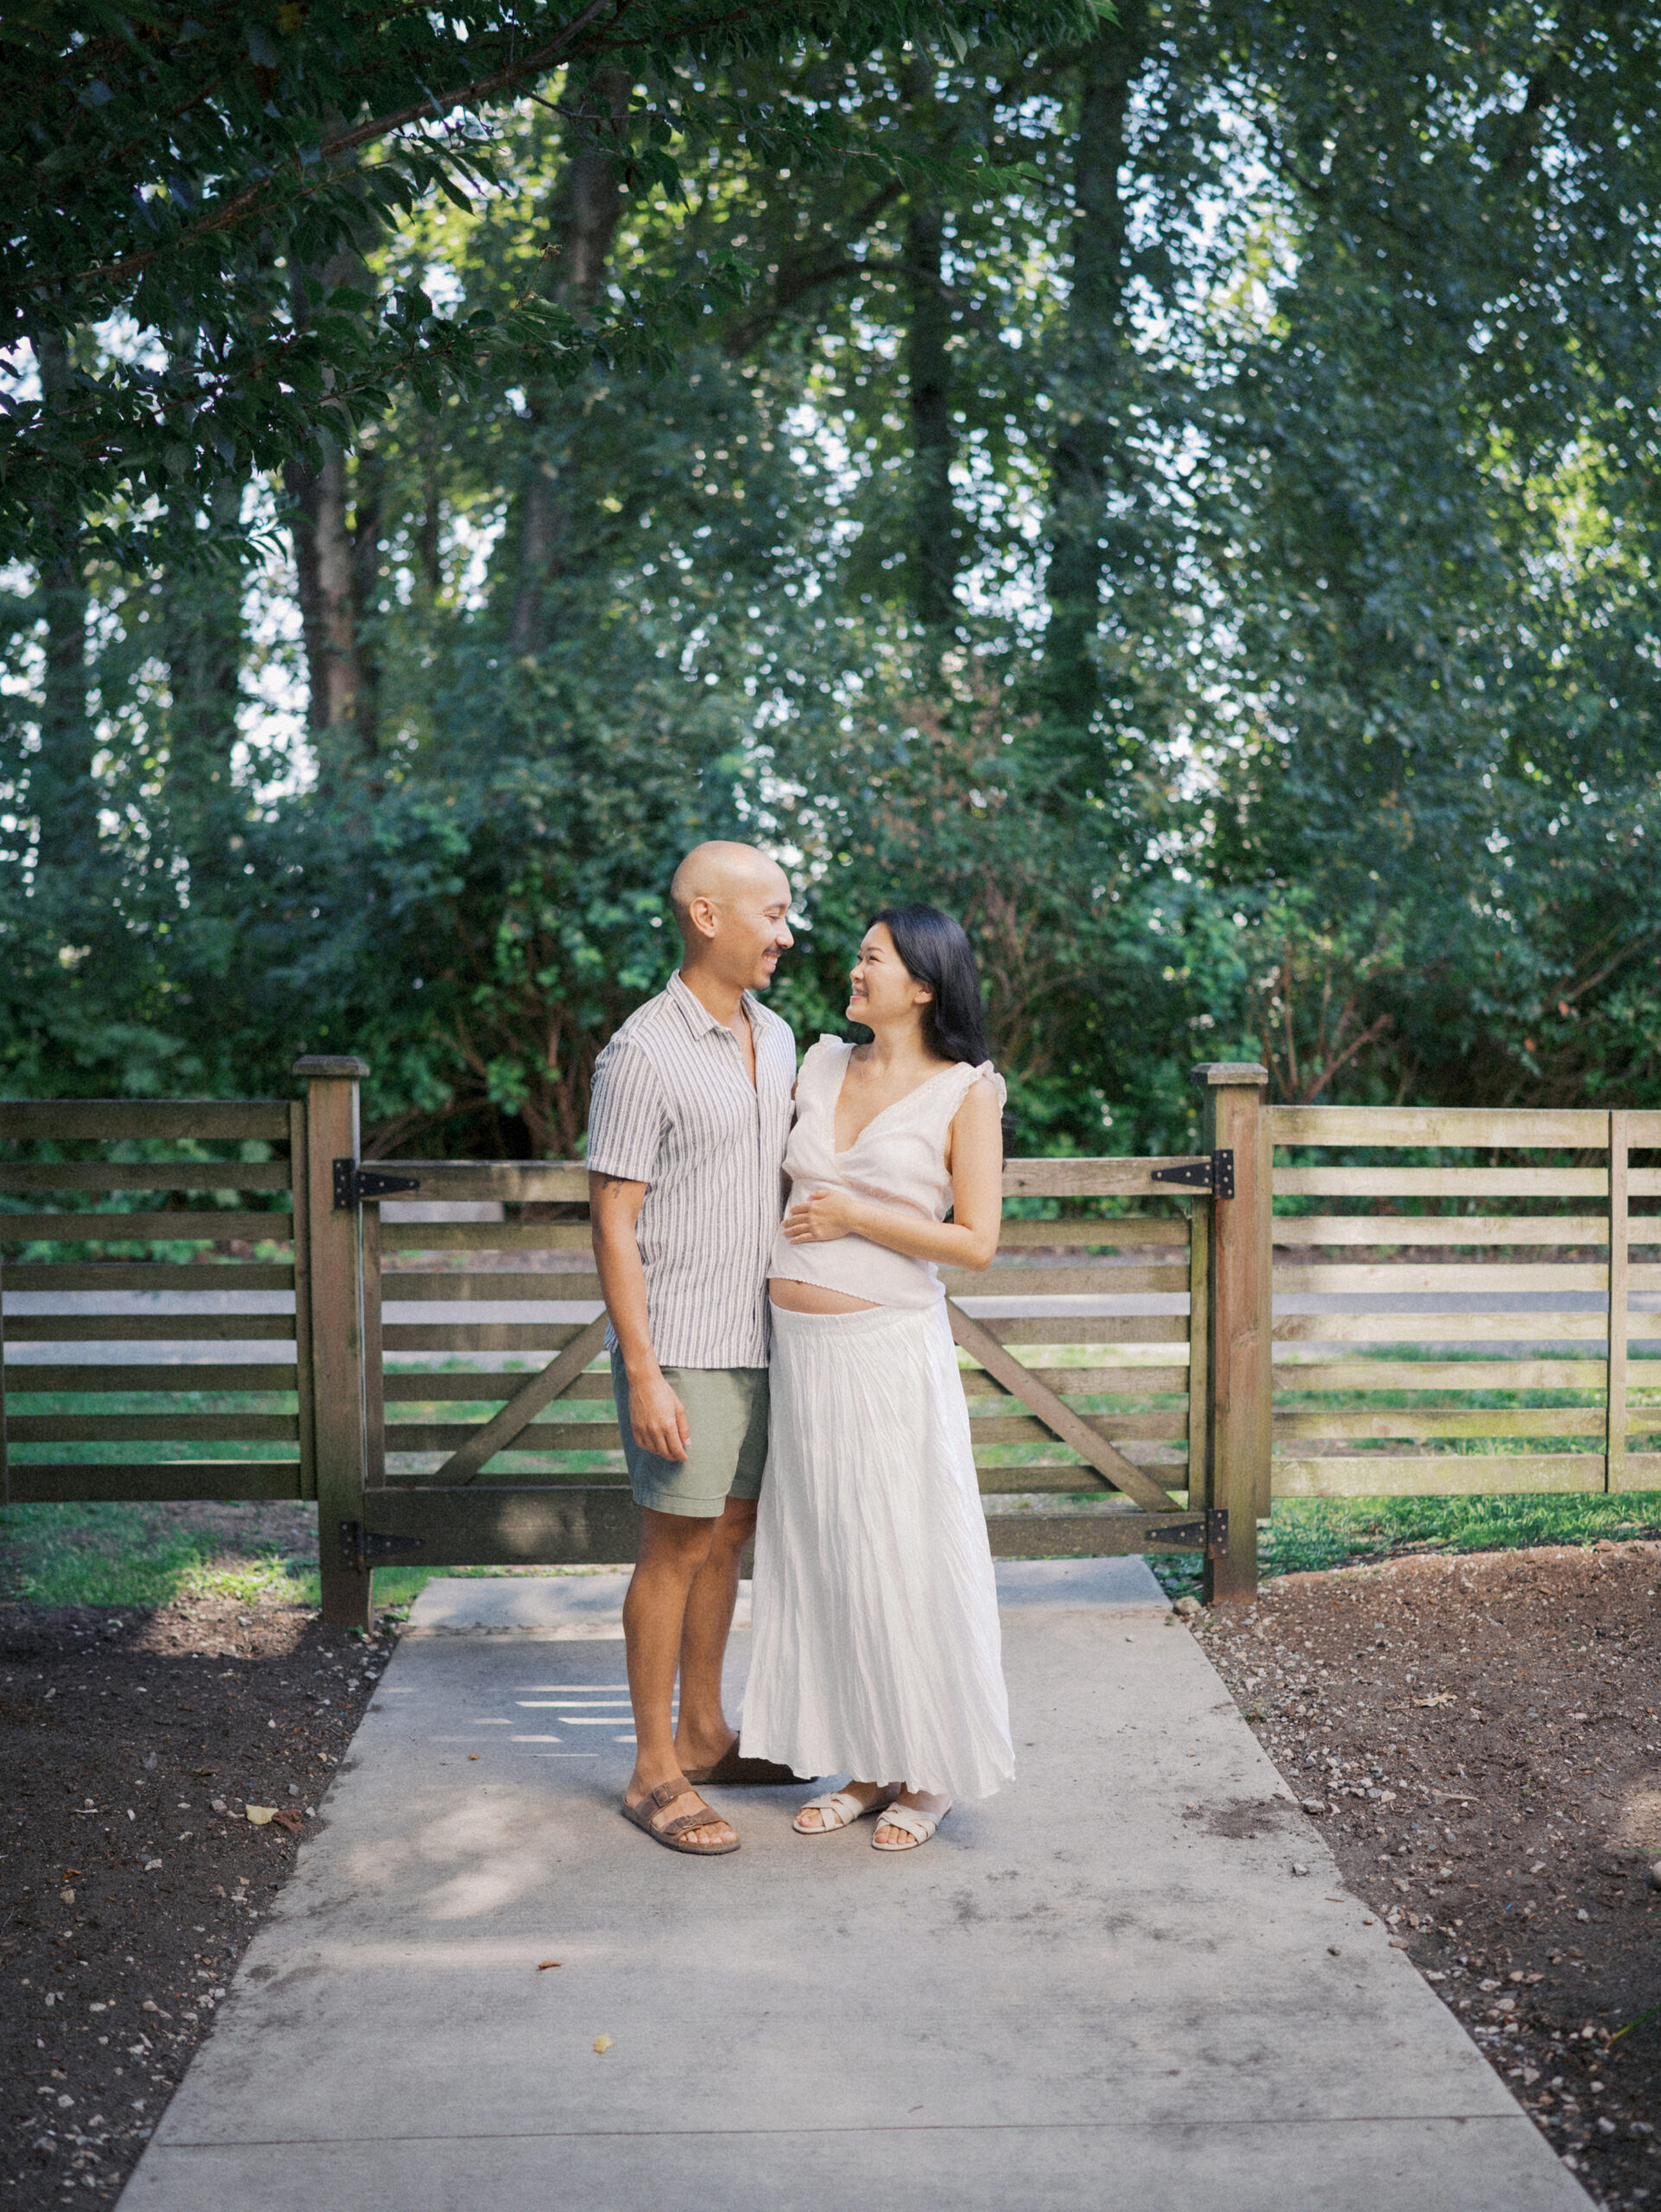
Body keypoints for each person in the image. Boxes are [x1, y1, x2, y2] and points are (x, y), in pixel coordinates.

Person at [741, 903, 1015, 1851]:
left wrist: (855, 1214)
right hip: (802, 1357)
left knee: (902, 1550)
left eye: (871, 959)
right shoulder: (816, 1062)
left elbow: (973, 1242)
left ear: (924, 983)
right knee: (830, 1556)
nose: (852, 971)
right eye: (857, 956)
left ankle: (929, 1773)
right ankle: (864, 1761)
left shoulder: (962, 1092)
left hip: (888, 1354)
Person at [589, 840, 802, 1856]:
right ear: (707, 916)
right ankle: (651, 1771)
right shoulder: (641, 1052)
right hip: (683, 1345)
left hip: (766, 1342)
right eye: (772, 911)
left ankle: (707, 1733)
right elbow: (612, 1219)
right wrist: (641, 1369)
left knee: (727, 1539)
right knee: (673, 1547)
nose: (787, 933)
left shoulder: (783, 1035)